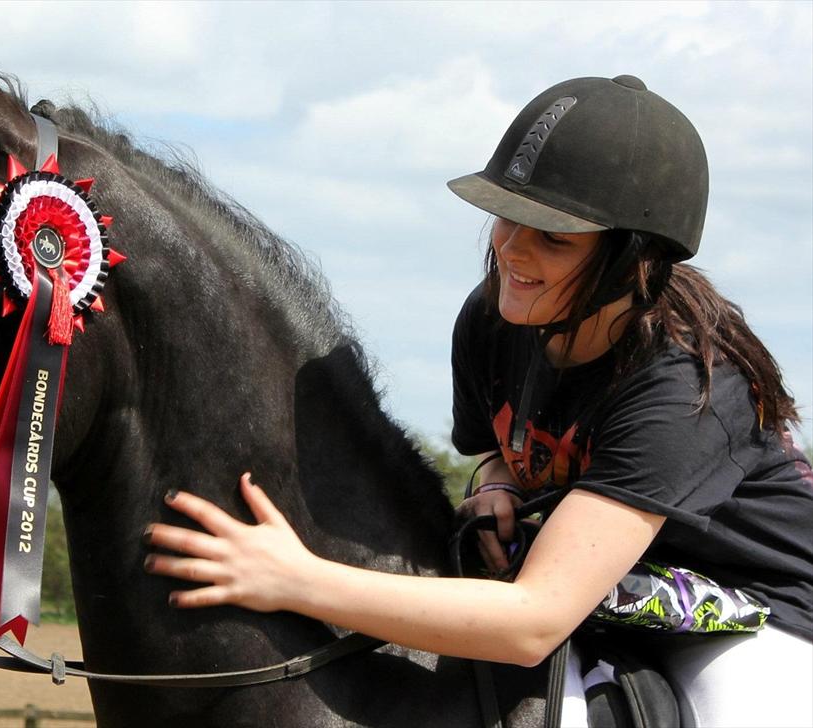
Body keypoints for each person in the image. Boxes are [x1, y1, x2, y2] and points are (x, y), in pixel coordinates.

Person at [143, 75, 813, 727]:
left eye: (554, 237)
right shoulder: (498, 319)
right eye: (508, 217)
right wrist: (495, 481)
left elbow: (534, 620)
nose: (511, 250)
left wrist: (295, 579)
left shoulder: (688, 386)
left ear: (633, 259)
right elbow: (504, 448)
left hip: (758, 610)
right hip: (613, 584)